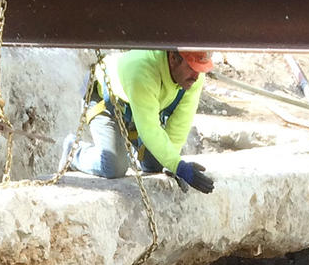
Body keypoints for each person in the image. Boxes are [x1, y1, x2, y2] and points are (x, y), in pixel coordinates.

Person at [72, 49, 216, 193]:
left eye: (200, 69)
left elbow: (180, 124)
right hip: (106, 100)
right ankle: (74, 152)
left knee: (156, 164)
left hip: (138, 109)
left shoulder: (194, 78)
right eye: (191, 68)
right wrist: (180, 167)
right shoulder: (142, 70)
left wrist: (173, 165)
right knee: (114, 167)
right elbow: (149, 129)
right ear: (173, 58)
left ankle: (126, 154)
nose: (196, 76)